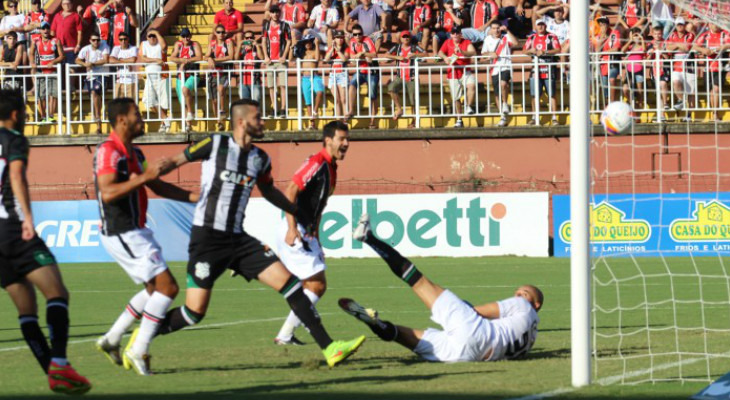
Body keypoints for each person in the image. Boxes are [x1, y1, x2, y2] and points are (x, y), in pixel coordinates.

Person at [152, 99, 366, 368]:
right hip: (208, 238)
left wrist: (306, 225)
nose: (264, 122)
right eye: (259, 117)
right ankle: (144, 334)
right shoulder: (215, 144)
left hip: (239, 239)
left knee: (294, 285)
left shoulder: (259, 158)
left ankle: (329, 347)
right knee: (194, 312)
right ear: (242, 122)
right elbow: (291, 190)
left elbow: (273, 193)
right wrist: (144, 178)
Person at [340, 214, 542, 363]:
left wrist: (461, 305)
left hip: (475, 331)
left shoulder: (524, 306)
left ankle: (368, 237)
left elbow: (476, 312)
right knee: (405, 336)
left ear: (536, 303)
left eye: (524, 293)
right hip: (467, 356)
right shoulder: (530, 339)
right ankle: (379, 325)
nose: (517, 294)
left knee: (418, 281)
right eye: (518, 292)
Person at [94, 98, 198, 376]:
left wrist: (196, 198)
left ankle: (112, 339)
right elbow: (108, 192)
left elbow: (157, 185)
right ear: (121, 120)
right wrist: (144, 177)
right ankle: (138, 349)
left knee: (155, 290)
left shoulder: (135, 153)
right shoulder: (108, 151)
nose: (142, 118)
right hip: (122, 230)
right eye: (136, 114)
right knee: (168, 289)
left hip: (136, 230)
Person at [0, 88, 91, 394]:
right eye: (24, 112)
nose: (26, 117)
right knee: (57, 293)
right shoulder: (14, 139)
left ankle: (54, 374)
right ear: (15, 115)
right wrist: (27, 217)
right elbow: (16, 177)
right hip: (12, 228)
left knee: (26, 310)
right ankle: (61, 364)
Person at [274, 121, 350, 344]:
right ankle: (291, 332)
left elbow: (319, 206)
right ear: (328, 140)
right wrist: (290, 227)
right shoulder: (317, 162)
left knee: (309, 285)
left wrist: (317, 237)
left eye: (348, 139)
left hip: (306, 231)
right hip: (295, 228)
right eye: (341, 139)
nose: (346, 143)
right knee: (316, 285)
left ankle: (289, 332)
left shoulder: (331, 168)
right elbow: (290, 190)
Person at [384, 31, 424, 128]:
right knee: (391, 88)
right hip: (400, 76)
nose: (406, 38)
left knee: (413, 100)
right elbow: (386, 55)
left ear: (410, 38)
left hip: (412, 77)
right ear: (400, 38)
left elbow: (425, 54)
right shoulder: (397, 47)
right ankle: (399, 109)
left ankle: (414, 121)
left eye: (407, 36)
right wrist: (397, 57)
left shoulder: (414, 47)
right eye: (404, 36)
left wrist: (414, 55)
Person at [437, 26, 476, 128]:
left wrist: (462, 52)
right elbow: (440, 52)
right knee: (456, 97)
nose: (455, 35)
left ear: (460, 34)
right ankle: (459, 119)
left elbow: (473, 52)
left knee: (471, 86)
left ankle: (468, 106)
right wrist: (445, 58)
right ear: (451, 35)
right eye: (453, 33)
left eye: (457, 33)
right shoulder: (447, 42)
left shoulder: (466, 42)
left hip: (465, 70)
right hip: (453, 72)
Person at [524, 19, 560, 125]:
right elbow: (524, 50)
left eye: (542, 25)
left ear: (546, 26)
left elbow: (558, 49)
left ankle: (554, 117)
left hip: (548, 68)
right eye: (539, 25)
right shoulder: (531, 38)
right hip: (536, 70)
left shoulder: (552, 37)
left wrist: (545, 52)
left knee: (552, 94)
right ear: (535, 27)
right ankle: (535, 117)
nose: (541, 27)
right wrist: (531, 51)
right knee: (535, 95)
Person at [481, 22, 517, 127]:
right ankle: (502, 116)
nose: (496, 30)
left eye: (498, 28)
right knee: (497, 93)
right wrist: (490, 54)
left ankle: (505, 103)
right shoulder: (487, 39)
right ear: (490, 29)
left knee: (503, 84)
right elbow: (483, 54)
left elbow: (515, 43)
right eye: (494, 28)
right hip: (494, 68)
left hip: (505, 65)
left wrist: (507, 30)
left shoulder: (506, 37)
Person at [692, 24, 730, 121]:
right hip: (708, 68)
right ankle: (714, 112)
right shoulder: (705, 35)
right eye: (713, 23)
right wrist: (703, 50)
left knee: (715, 89)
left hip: (720, 68)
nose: (715, 25)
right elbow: (694, 46)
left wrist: (720, 48)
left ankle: (715, 114)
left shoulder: (724, 34)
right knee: (711, 91)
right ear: (709, 25)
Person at [76, 33, 111, 134]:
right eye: (94, 40)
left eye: (98, 40)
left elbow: (105, 59)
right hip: (90, 76)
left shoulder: (104, 46)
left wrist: (93, 64)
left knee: (95, 93)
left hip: (102, 75)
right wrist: (84, 64)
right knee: (94, 95)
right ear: (90, 40)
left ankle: (98, 120)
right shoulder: (85, 49)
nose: (96, 42)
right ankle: (98, 118)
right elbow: (77, 59)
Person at [30, 21, 63, 124]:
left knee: (53, 94)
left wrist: (53, 61)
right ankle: (43, 116)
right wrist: (32, 63)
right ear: (40, 30)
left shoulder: (56, 41)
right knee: (40, 95)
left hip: (53, 71)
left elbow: (62, 56)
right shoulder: (35, 41)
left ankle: (51, 116)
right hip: (41, 71)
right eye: (43, 28)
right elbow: (31, 53)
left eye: (47, 28)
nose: (45, 30)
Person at [346, 24, 379, 128]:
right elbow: (352, 55)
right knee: (352, 85)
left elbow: (374, 55)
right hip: (361, 70)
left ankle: (372, 121)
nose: (357, 36)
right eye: (355, 34)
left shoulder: (367, 40)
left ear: (362, 33)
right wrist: (357, 56)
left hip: (372, 70)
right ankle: (351, 110)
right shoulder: (352, 42)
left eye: (359, 34)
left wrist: (363, 54)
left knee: (373, 96)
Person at [262, 5, 292, 117]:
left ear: (280, 13)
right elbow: (264, 41)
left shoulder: (285, 25)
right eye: (273, 12)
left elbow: (289, 41)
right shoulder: (266, 25)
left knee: (283, 85)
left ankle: (283, 108)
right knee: (271, 86)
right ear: (270, 13)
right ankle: (274, 108)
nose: (275, 14)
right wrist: (265, 56)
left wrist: (284, 55)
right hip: (270, 60)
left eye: (277, 12)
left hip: (281, 60)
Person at [139, 29, 172, 132]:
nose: (152, 38)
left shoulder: (159, 43)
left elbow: (164, 47)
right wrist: (156, 60)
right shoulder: (144, 44)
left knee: (164, 102)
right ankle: (165, 119)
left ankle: (163, 124)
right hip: (150, 77)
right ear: (146, 37)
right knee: (148, 101)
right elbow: (142, 58)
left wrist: (157, 32)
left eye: (154, 36)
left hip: (162, 75)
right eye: (150, 36)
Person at [169, 28, 203, 125]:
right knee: (182, 100)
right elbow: (172, 57)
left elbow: (199, 57)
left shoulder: (195, 44)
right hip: (180, 75)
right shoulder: (178, 45)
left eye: (187, 36)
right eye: (183, 36)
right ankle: (187, 124)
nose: (186, 38)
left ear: (190, 36)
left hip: (193, 74)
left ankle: (190, 112)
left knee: (185, 90)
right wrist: (182, 61)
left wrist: (186, 61)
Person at [666, 17, 695, 120]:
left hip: (689, 67)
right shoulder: (672, 35)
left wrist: (676, 45)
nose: (679, 26)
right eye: (678, 25)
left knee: (690, 92)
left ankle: (689, 115)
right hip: (677, 66)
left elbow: (687, 48)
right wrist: (680, 45)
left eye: (681, 24)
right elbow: (668, 48)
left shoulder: (690, 35)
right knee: (676, 82)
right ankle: (681, 101)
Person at [207, 24, 235, 131]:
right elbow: (206, 55)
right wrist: (209, 59)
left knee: (220, 88)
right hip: (213, 73)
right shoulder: (212, 43)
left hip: (225, 72)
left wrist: (214, 60)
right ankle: (219, 121)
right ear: (215, 33)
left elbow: (230, 56)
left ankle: (222, 111)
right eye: (218, 32)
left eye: (223, 32)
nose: (221, 34)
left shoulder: (228, 42)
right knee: (214, 100)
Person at [592, 16, 621, 107]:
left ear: (608, 25)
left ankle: (611, 104)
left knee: (612, 80)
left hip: (613, 62)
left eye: (604, 24)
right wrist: (602, 39)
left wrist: (603, 52)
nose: (602, 27)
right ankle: (607, 105)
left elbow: (616, 48)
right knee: (604, 87)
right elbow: (597, 51)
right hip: (603, 64)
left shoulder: (615, 33)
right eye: (600, 25)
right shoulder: (598, 37)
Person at [295, 35, 323, 129]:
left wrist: (317, 45)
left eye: (309, 42)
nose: (307, 44)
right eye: (305, 42)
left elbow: (317, 59)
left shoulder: (315, 51)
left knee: (320, 92)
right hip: (305, 78)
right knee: (308, 102)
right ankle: (312, 124)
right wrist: (292, 46)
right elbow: (292, 58)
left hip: (315, 76)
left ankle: (315, 111)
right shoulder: (301, 53)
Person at [324, 31, 349, 120]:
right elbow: (326, 59)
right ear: (334, 39)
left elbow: (344, 59)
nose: (340, 39)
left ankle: (345, 119)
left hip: (342, 74)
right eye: (338, 37)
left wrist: (337, 50)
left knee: (343, 99)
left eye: (341, 37)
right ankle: (339, 120)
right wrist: (332, 48)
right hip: (333, 74)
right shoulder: (331, 49)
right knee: (337, 100)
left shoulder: (346, 48)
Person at [621, 27, 646, 112]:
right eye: (634, 36)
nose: (636, 38)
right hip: (629, 71)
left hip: (639, 71)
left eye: (637, 36)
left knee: (640, 91)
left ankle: (639, 110)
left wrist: (641, 39)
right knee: (625, 88)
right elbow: (623, 50)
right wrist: (630, 40)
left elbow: (644, 50)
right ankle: (633, 104)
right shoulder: (630, 46)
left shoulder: (641, 46)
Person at [51, 0, 83, 65]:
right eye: (65, 4)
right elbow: (52, 32)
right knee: (60, 70)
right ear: (62, 5)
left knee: (71, 71)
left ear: (72, 4)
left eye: (68, 3)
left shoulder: (76, 16)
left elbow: (80, 32)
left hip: (71, 49)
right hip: (59, 49)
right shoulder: (57, 15)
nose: (67, 5)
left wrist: (78, 45)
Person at [236, 31, 263, 103]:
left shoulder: (257, 48)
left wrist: (257, 45)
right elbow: (236, 58)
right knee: (245, 104)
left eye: (251, 37)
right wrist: (239, 45)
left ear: (254, 38)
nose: (249, 39)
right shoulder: (242, 50)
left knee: (255, 103)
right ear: (244, 39)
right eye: (247, 38)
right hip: (243, 81)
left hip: (255, 80)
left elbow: (261, 58)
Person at [110, 31, 138, 98]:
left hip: (131, 80)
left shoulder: (133, 48)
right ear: (119, 40)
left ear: (128, 39)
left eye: (125, 39)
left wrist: (119, 60)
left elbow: (133, 60)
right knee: (118, 105)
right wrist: (126, 62)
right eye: (121, 39)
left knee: (130, 105)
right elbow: (111, 60)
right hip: (119, 80)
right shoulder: (116, 48)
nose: (123, 41)